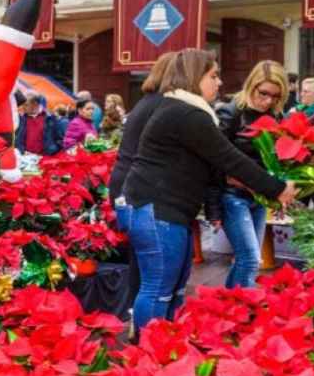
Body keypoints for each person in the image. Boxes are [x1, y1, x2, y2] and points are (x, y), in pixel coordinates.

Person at [121, 49, 295, 332]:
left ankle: (162, 348)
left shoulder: (186, 110)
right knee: (159, 289)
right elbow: (229, 158)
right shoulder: (186, 113)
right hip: (158, 209)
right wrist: (277, 189)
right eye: (213, 76)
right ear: (193, 77)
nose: (219, 83)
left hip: (166, 210)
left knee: (173, 288)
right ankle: (146, 354)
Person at [108, 52, 176, 336]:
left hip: (124, 185)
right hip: (137, 189)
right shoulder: (162, 106)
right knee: (149, 267)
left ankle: (136, 320)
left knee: (139, 258)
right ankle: (143, 331)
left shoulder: (144, 104)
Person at [207, 60, 290, 289]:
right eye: (263, 93)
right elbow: (215, 162)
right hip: (233, 195)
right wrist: (212, 207)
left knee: (248, 259)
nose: (268, 100)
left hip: (260, 197)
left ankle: (229, 306)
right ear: (251, 85)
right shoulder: (231, 112)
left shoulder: (275, 115)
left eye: (275, 96)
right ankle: (243, 309)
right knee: (250, 258)